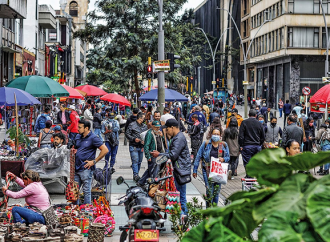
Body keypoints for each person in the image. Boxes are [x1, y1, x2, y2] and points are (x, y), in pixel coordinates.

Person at [150, 119, 191, 218]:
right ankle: (183, 220)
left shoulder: (179, 138)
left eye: (167, 129)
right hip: (179, 171)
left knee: (180, 197)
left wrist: (159, 154)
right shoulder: (177, 137)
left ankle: (183, 219)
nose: (166, 131)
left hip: (179, 172)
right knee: (180, 197)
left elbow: (173, 155)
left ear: (172, 127)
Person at [192, 127, 230, 207]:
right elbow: (198, 156)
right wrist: (195, 170)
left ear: (220, 135)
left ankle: (214, 211)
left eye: (217, 134)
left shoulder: (223, 145)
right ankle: (208, 211)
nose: (216, 135)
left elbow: (228, 157)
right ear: (211, 134)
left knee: (216, 192)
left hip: (218, 171)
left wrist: (223, 159)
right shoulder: (206, 144)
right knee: (209, 191)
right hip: (207, 171)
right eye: (214, 134)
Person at [74, 120, 108, 204]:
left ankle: (87, 211)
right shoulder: (78, 136)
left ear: (86, 128)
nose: (78, 129)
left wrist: (94, 161)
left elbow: (105, 150)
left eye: (80, 127)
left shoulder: (93, 138)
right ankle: (75, 210)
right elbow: (76, 147)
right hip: (76, 168)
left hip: (86, 169)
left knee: (86, 191)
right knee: (75, 191)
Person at [239, 109, 265, 176]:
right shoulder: (259, 124)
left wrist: (241, 145)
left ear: (248, 115)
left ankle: (249, 175)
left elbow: (241, 136)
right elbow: (263, 136)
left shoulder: (244, 123)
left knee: (247, 162)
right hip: (256, 146)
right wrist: (259, 144)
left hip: (246, 146)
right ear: (256, 115)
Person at [139, 120, 165, 186]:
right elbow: (146, 145)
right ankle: (152, 183)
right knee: (153, 170)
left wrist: (162, 136)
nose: (157, 128)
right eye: (156, 127)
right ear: (152, 126)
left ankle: (141, 182)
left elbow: (163, 142)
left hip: (159, 154)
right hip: (153, 155)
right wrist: (148, 156)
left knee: (152, 169)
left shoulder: (159, 133)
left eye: (158, 127)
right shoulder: (149, 133)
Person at [125, 112, 148, 181]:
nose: (144, 119)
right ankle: (136, 174)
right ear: (140, 118)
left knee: (139, 161)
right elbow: (127, 134)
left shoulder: (144, 126)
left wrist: (145, 141)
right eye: (143, 118)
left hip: (141, 146)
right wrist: (134, 139)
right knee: (135, 161)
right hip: (133, 146)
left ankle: (136, 174)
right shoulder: (132, 125)